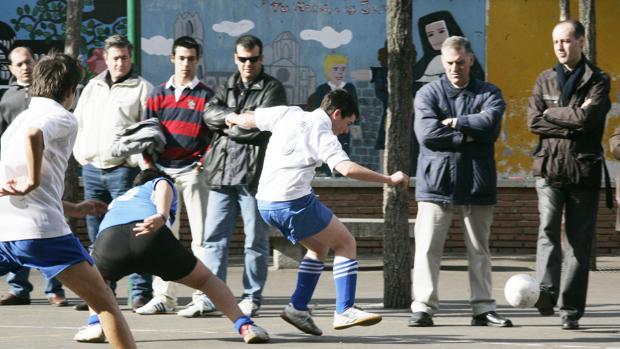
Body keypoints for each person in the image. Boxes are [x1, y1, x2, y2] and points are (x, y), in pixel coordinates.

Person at [225, 88, 407, 335]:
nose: (345, 130)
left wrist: (233, 117)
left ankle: (297, 308)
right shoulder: (323, 132)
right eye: (347, 123)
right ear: (337, 114)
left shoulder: (288, 113)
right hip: (292, 203)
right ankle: (344, 309)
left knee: (318, 247)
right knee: (345, 243)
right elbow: (346, 169)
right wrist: (389, 179)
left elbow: (251, 119)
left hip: (266, 203)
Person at [0, 53, 136, 348]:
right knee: (106, 305)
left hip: (4, 232)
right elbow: (35, 136)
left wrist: (71, 207)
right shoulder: (62, 116)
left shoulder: (19, 119)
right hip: (40, 234)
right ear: (71, 91)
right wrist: (31, 182)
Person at [73, 168, 269, 344]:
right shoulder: (155, 182)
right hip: (150, 236)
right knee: (207, 281)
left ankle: (95, 324)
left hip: (110, 240)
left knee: (99, 282)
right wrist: (162, 215)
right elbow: (162, 184)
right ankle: (245, 326)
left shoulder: (120, 198)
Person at [409, 36, 512, 328]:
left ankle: (482, 309)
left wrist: (453, 123)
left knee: (479, 249)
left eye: (460, 62)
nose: (455, 68)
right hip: (435, 182)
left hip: (477, 180)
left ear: (470, 60)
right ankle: (423, 307)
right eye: (450, 63)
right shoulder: (428, 93)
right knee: (428, 248)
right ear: (443, 62)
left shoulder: (489, 92)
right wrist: (470, 131)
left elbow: (490, 126)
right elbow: (427, 134)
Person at [182, 34, 286, 318]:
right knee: (214, 239)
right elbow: (208, 115)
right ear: (235, 58)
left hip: (254, 178)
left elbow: (261, 127)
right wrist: (237, 118)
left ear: (261, 59)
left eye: (253, 59)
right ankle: (210, 296)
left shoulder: (273, 89)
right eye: (242, 59)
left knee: (255, 240)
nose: (248, 64)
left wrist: (228, 122)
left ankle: (252, 296)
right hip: (222, 173)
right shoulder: (227, 85)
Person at [527, 20, 611, 330]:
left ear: (580, 41)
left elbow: (589, 120)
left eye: (565, 41)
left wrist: (552, 114)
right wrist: (568, 117)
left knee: (578, 243)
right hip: (548, 168)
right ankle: (546, 294)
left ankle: (571, 310)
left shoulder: (598, 80)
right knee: (548, 230)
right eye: (556, 42)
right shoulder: (545, 79)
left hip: (582, 170)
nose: (560, 47)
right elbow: (533, 122)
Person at [72, 34, 154, 311]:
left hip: (123, 172)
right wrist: (81, 155)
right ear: (105, 59)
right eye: (115, 58)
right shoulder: (92, 87)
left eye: (125, 57)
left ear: (131, 58)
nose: (120, 63)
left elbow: (148, 131)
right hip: (93, 169)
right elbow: (78, 123)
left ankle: (140, 291)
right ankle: (101, 291)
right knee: (98, 237)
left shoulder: (143, 88)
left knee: (131, 233)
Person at [135, 36, 213, 315]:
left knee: (201, 238)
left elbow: (214, 137)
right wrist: (151, 169)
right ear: (172, 58)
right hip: (163, 176)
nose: (186, 64)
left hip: (193, 173)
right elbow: (146, 134)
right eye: (181, 58)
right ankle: (164, 298)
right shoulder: (157, 94)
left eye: (191, 58)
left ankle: (204, 297)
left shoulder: (206, 95)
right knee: (163, 237)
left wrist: (202, 163)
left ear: (197, 60)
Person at [0, 46, 70, 307]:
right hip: (21, 205)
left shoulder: (46, 104)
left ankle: (55, 290)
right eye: (19, 64)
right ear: (11, 68)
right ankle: (19, 289)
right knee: (102, 299)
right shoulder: (10, 101)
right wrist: (30, 179)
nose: (25, 67)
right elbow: (31, 134)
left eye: (28, 62)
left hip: (31, 206)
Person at [311, 53, 359, 177]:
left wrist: (355, 126)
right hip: (326, 129)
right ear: (328, 70)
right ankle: (327, 172)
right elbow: (318, 108)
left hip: (343, 128)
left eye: (343, 69)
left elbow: (355, 109)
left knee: (343, 148)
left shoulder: (349, 88)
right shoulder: (322, 89)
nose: (339, 72)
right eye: (335, 69)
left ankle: (340, 174)